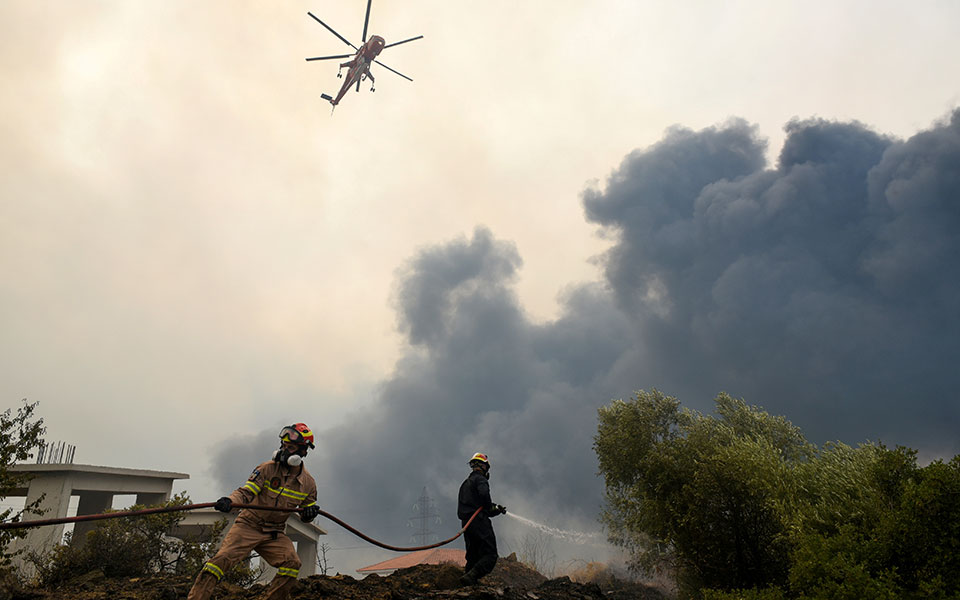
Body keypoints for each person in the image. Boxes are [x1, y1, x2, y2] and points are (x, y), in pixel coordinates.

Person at [187, 423, 322, 600]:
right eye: (283, 445)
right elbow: (245, 493)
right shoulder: (266, 468)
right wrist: (230, 501)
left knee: (292, 564)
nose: (284, 450)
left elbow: (306, 515)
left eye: (290, 447)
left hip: (275, 532)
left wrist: (309, 514)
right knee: (218, 563)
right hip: (249, 525)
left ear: (303, 451)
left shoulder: (309, 484)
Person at [457, 452, 506, 586]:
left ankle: (467, 583)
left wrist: (494, 509)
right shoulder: (480, 480)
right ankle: (471, 577)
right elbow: (484, 497)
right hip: (479, 521)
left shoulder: (465, 484)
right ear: (484, 467)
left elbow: (479, 505)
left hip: (467, 523)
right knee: (490, 555)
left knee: (472, 556)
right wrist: (491, 507)